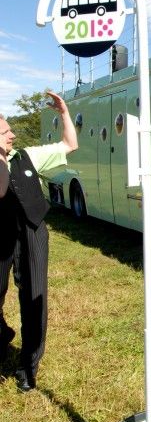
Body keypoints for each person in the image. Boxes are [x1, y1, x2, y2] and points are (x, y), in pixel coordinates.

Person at [0, 91, 78, 391]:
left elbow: (70, 144)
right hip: (1, 233)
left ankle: (28, 365)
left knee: (34, 296)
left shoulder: (27, 155)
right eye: (6, 132)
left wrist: (65, 114)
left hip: (32, 231)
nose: (13, 134)